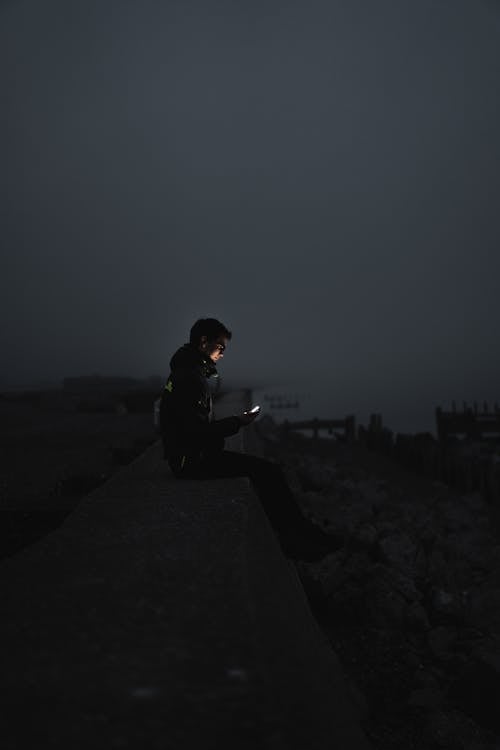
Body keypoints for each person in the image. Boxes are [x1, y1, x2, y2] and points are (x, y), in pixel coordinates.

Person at [159, 318, 338, 562]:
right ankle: (296, 537)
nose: (222, 354)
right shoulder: (189, 378)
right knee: (268, 473)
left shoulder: (185, 372)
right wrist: (238, 422)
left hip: (188, 455)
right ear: (204, 342)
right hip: (190, 461)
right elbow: (196, 432)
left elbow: (189, 427)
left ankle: (302, 533)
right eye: (220, 347)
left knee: (267, 472)